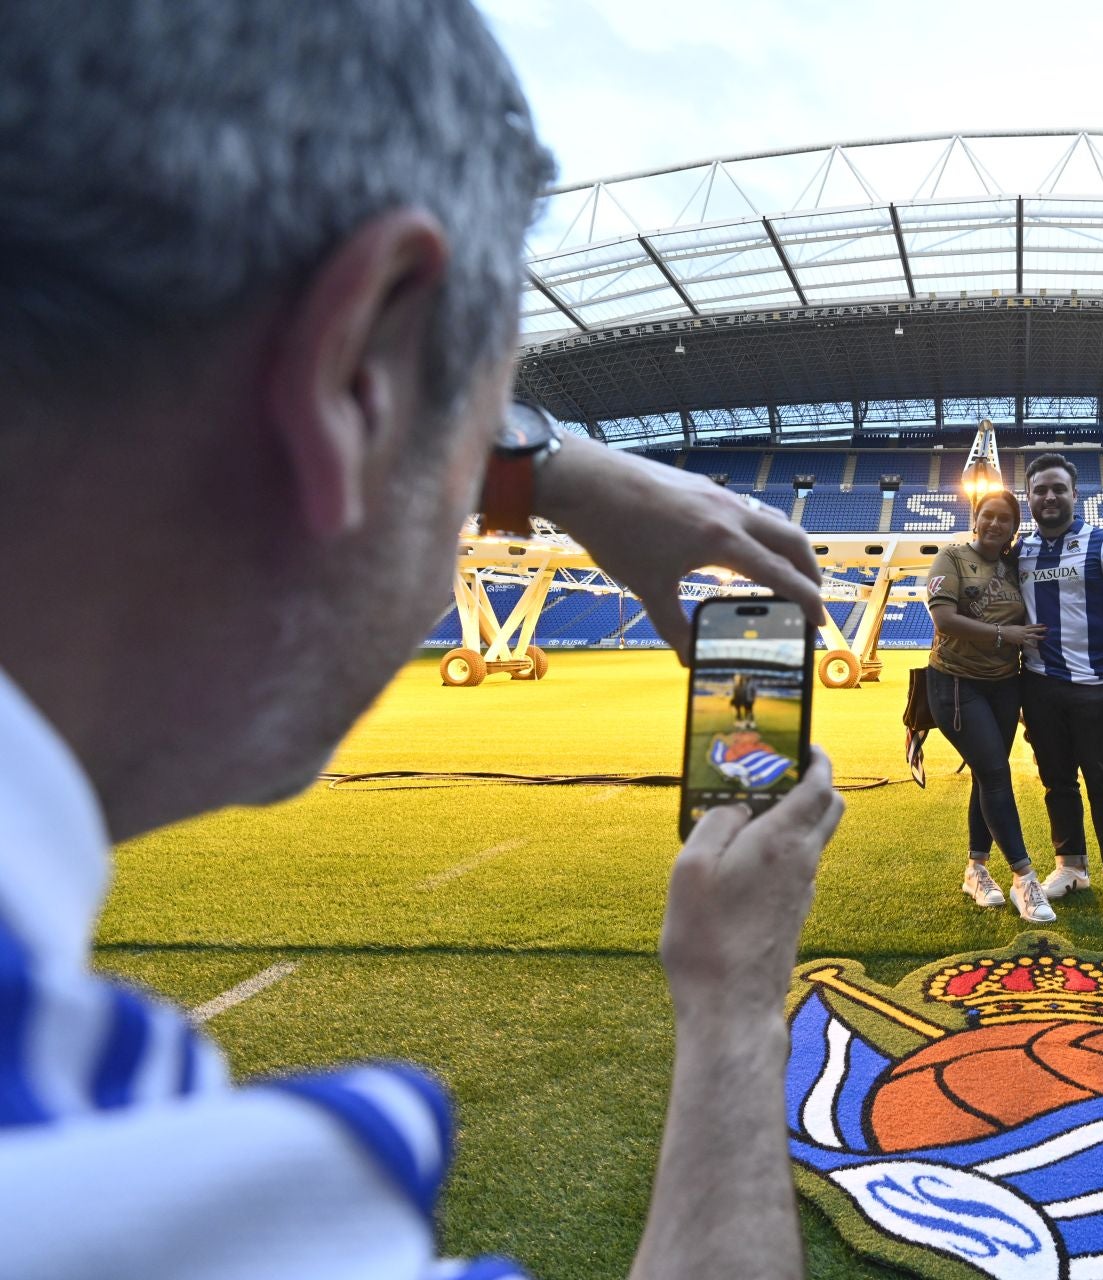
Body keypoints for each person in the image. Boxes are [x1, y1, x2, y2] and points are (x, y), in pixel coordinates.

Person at [0, 4, 840, 1278]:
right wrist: (733, 1013)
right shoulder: (116, 1189)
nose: (470, 508)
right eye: (473, 432)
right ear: (355, 375)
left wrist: (538, 462)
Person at [1016, 454, 1103, 918]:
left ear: (1074, 495)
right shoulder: (1021, 550)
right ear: (1028, 497)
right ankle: (1070, 866)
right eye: (1040, 490)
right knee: (1056, 781)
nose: (1049, 497)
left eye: (1058, 489)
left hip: (1097, 683)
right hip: (1038, 685)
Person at [924, 490, 1054, 924]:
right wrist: (1005, 636)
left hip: (1004, 685)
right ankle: (1024, 877)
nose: (995, 524)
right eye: (988, 516)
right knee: (997, 774)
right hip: (957, 685)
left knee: (987, 772)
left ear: (1014, 528)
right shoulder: (952, 558)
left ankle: (976, 869)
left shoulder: (1015, 565)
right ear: (975, 518)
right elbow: (943, 619)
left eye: (1004, 519)